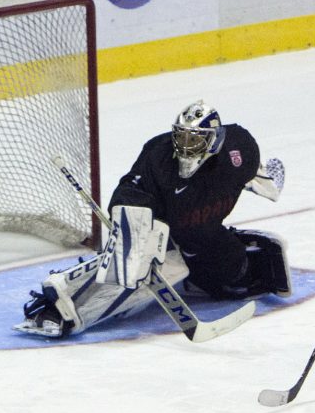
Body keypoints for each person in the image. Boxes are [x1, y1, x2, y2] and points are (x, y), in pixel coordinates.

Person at [14, 100, 291, 338]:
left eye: (194, 140)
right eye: (181, 137)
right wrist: (133, 224)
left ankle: (199, 277)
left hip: (205, 239)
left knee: (231, 277)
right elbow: (131, 189)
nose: (185, 146)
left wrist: (268, 183)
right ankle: (63, 306)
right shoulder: (159, 155)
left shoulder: (238, 149)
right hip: (162, 231)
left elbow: (256, 173)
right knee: (136, 267)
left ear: (214, 141)